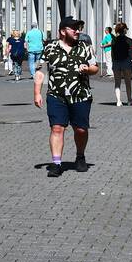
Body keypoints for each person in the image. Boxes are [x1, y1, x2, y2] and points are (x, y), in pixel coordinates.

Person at [34, 16, 98, 176]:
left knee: (81, 130)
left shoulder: (85, 47)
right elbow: (40, 71)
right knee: (57, 128)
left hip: (81, 95)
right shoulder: (50, 48)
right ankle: (56, 163)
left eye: (78, 28)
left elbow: (95, 67)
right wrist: (37, 93)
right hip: (56, 95)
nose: (77, 31)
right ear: (63, 31)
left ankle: (80, 156)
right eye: (73, 28)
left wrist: (88, 69)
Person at [111, 22, 132, 106]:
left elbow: (112, 53)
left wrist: (113, 62)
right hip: (126, 62)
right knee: (128, 82)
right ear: (125, 30)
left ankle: (118, 101)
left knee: (117, 82)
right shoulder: (129, 40)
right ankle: (129, 100)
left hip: (116, 62)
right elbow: (131, 53)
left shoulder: (114, 40)